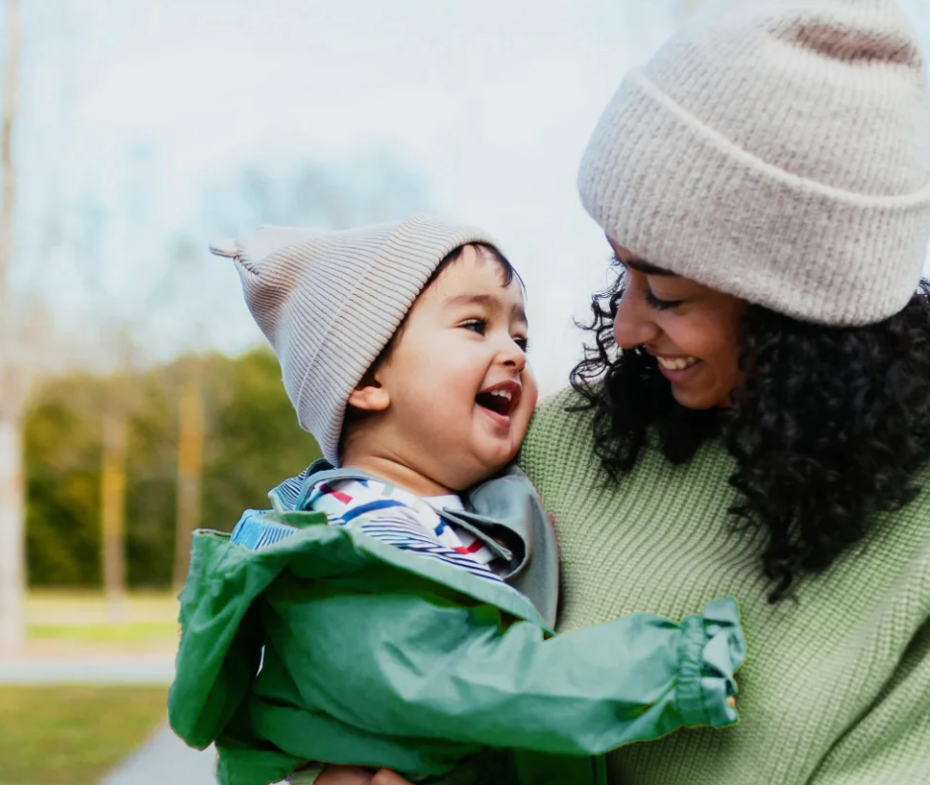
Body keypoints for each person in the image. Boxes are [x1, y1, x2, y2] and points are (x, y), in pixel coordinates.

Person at [318, 0, 930, 783]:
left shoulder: (912, 540)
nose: (628, 327)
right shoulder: (541, 444)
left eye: (667, 293)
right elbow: (347, 635)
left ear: (801, 313)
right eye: (623, 271)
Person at [167, 215, 745, 785]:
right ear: (366, 380)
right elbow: (466, 680)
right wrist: (674, 668)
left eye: (520, 337)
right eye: (475, 325)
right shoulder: (351, 544)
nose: (516, 354)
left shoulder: (457, 513)